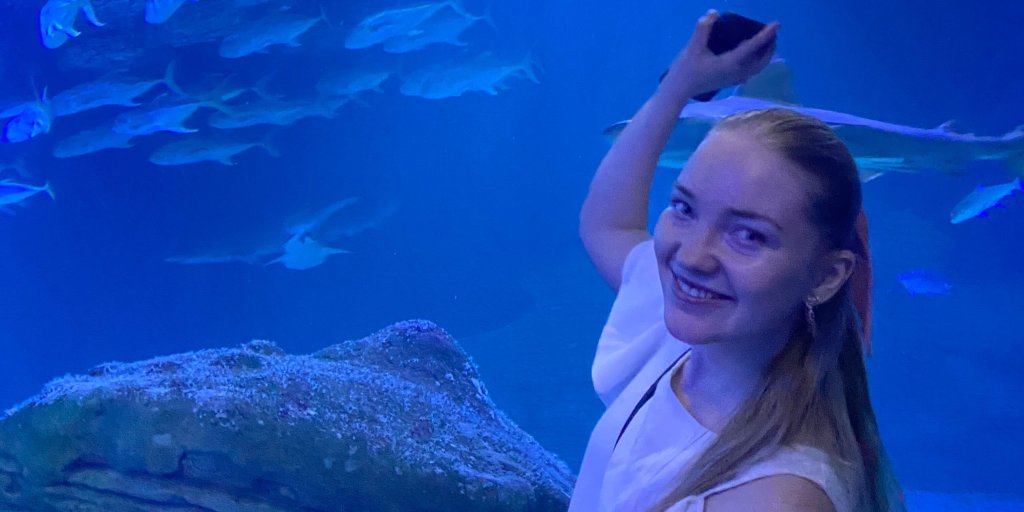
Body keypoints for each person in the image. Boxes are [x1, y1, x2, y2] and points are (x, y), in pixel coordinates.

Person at [571, 10, 906, 512]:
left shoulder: (774, 496)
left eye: (748, 235)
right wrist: (681, 85)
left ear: (828, 275)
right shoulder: (691, 335)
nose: (692, 257)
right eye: (684, 208)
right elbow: (608, 225)